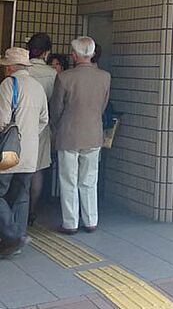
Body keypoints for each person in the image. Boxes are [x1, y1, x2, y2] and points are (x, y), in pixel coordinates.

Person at [49, 37, 110, 234]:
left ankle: (70, 223)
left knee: (68, 180)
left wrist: (56, 126)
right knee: (89, 179)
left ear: (74, 55)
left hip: (68, 134)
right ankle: (91, 220)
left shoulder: (64, 77)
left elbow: (56, 109)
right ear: (92, 53)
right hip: (93, 132)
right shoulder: (105, 77)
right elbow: (103, 105)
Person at [0, 47, 48, 257]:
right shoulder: (37, 87)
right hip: (30, 152)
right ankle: (17, 240)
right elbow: (44, 119)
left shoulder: (8, 84)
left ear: (10, 67)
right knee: (21, 195)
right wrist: (28, 136)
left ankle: (12, 237)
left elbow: (2, 120)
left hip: (9, 153)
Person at [26, 33, 57, 225]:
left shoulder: (22, 71)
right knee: (37, 171)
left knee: (18, 170)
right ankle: (32, 211)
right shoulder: (52, 74)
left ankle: (16, 210)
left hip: (19, 126)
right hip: (42, 126)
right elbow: (55, 103)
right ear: (46, 52)